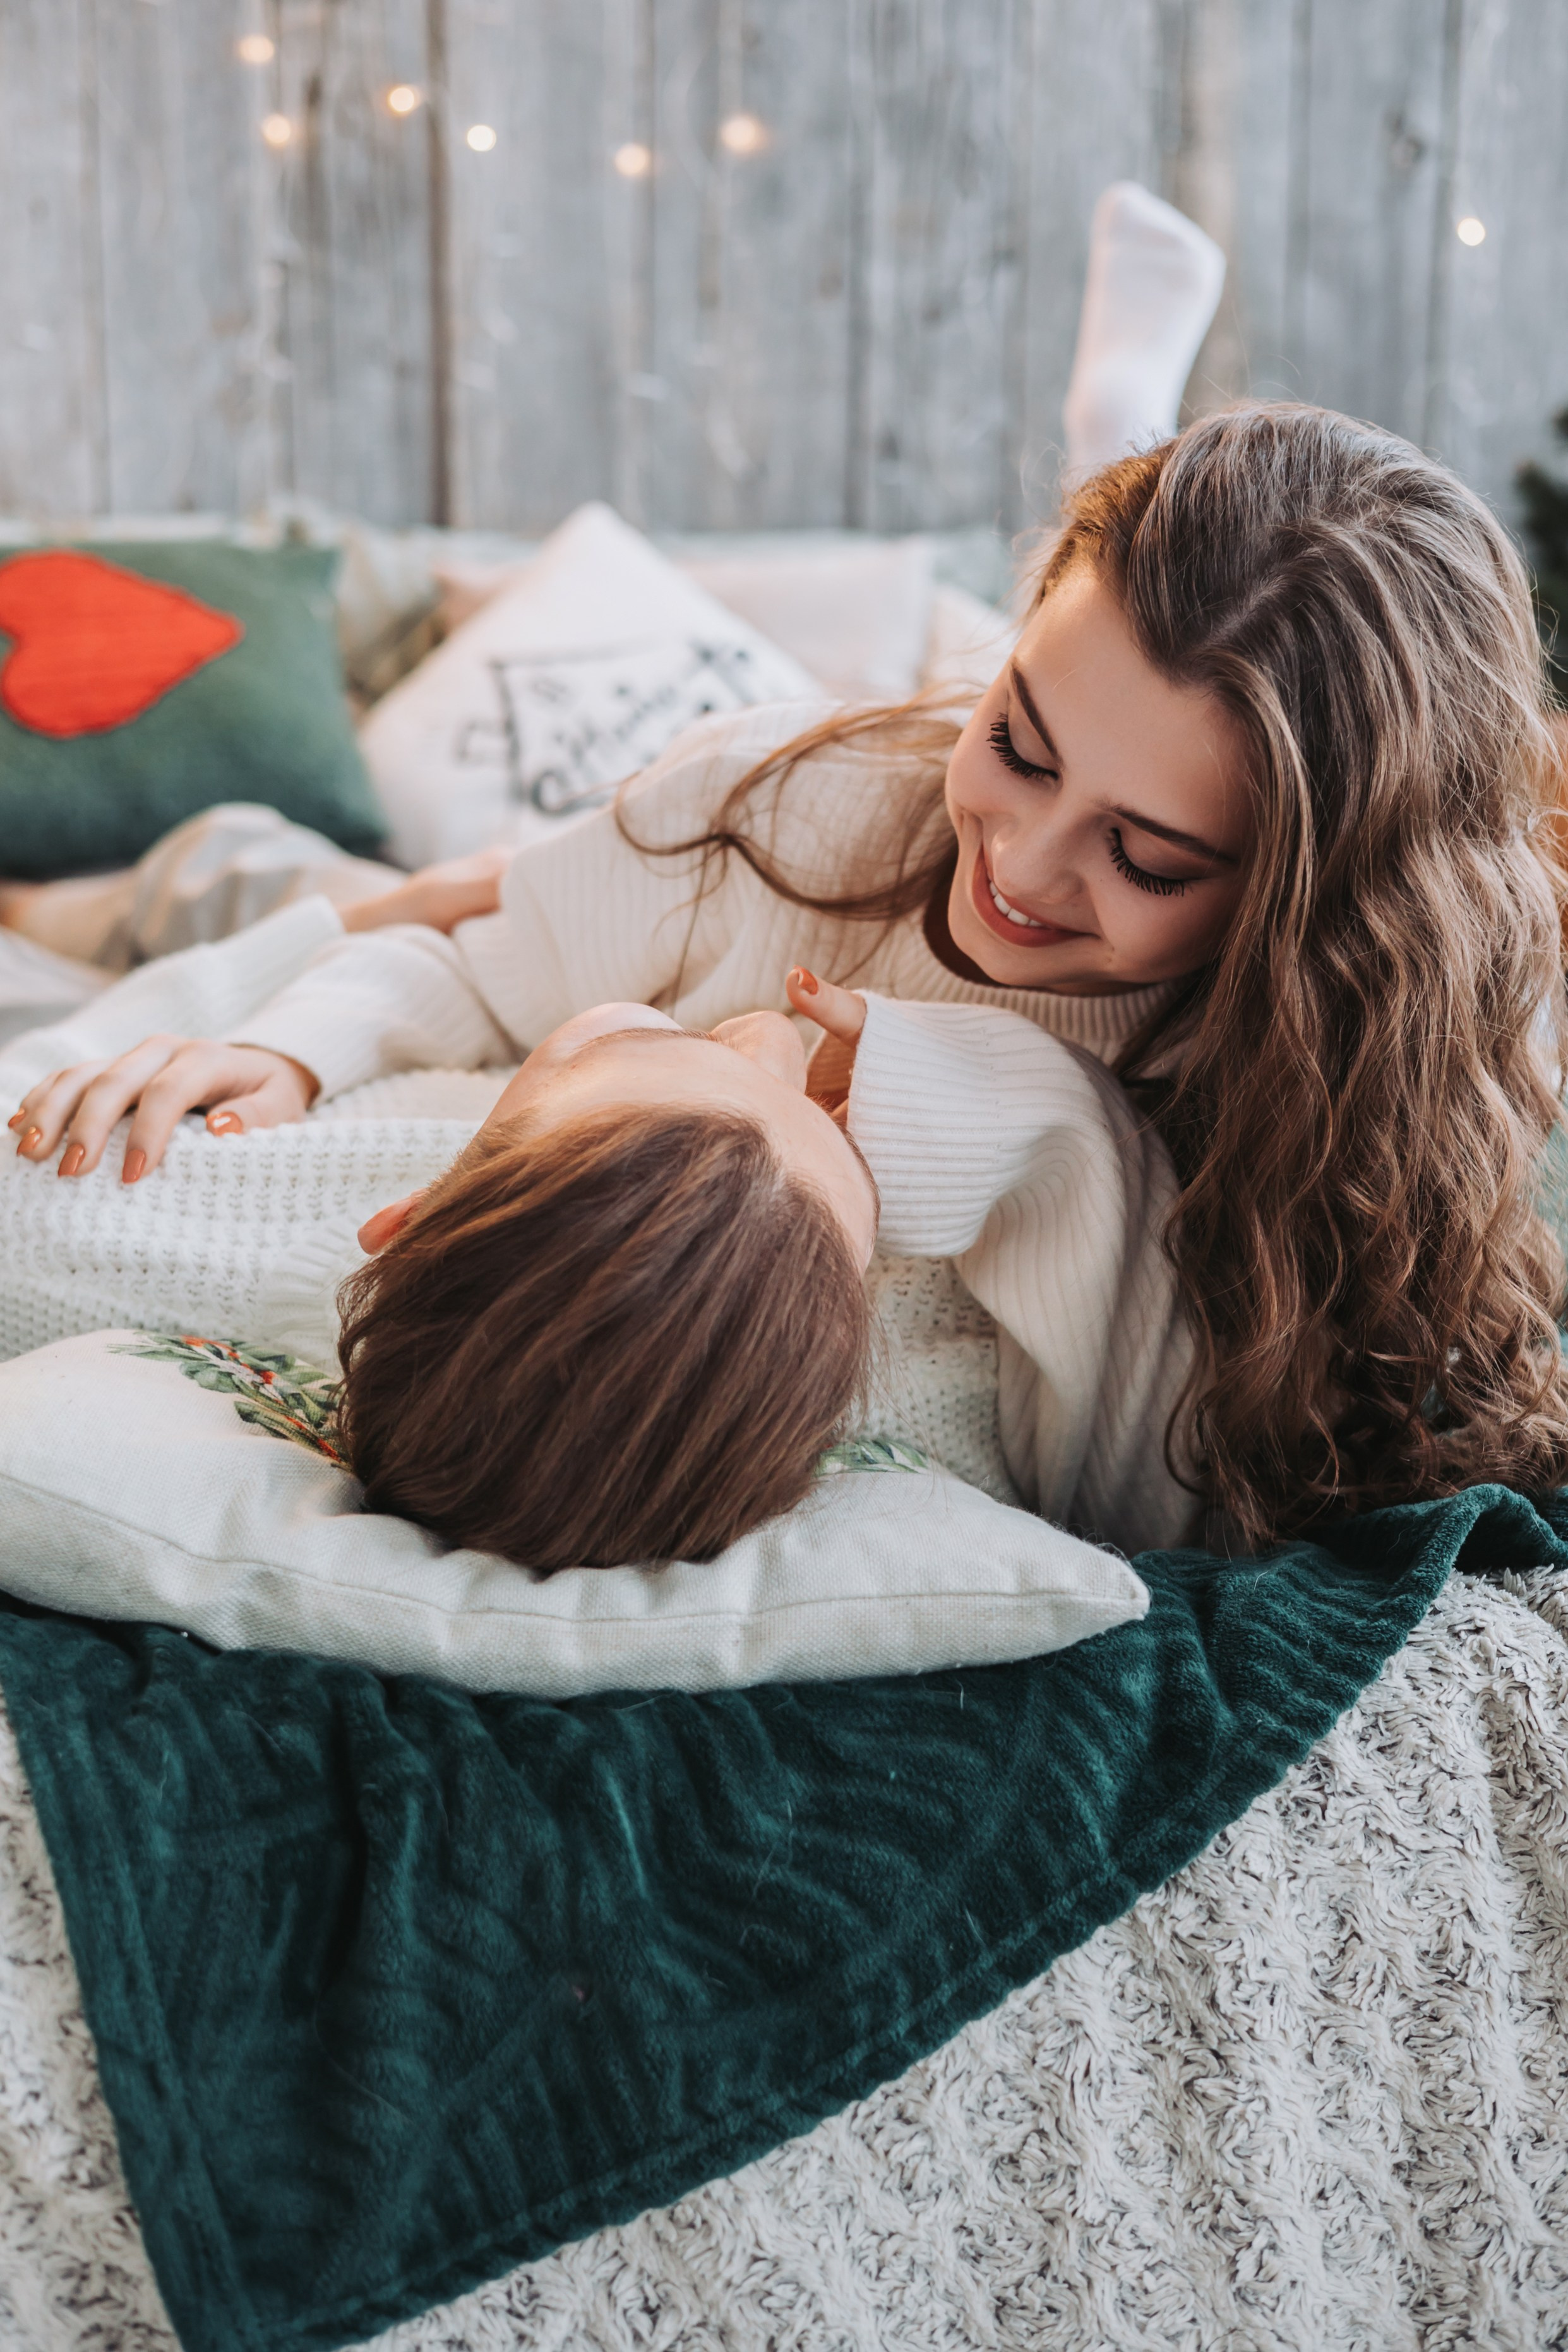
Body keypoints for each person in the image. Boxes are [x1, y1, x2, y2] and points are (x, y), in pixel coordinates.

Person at [13, 402, 1568, 1549]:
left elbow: (1157, 1493)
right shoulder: (782, 813)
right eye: (1017, 741)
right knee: (275, 885)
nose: (1020, 868)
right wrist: (292, 1047)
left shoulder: (1304, 1078)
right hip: (541, 890)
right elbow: (470, 969)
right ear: (1017, 632)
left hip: (598, 903)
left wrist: (1025, 1112)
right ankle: (100, 882)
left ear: (1318, 902)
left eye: (1149, 857)